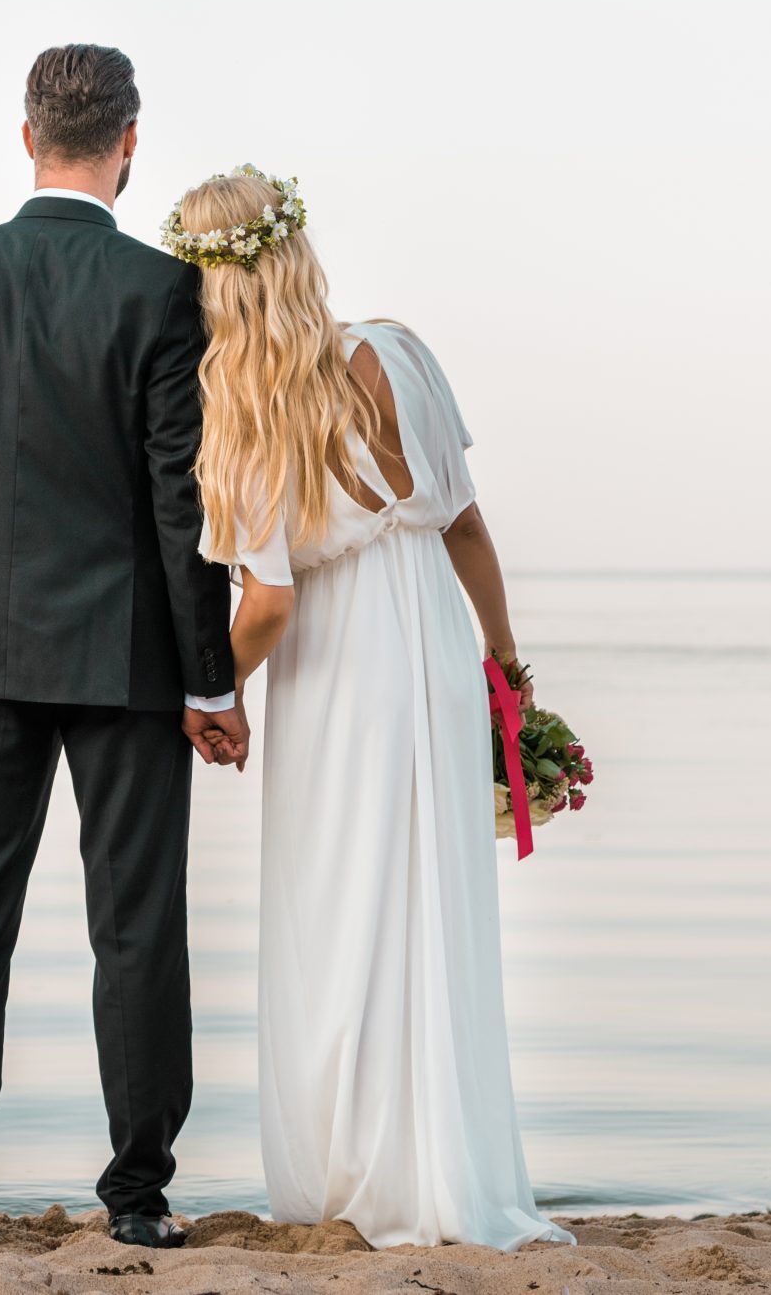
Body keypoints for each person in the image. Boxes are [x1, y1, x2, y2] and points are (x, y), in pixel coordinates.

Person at [172, 163, 571, 1251]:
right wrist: (505, 668)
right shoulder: (398, 350)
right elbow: (468, 530)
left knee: (341, 909)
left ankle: (357, 1171)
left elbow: (268, 600)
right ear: (296, 250)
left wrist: (214, 689)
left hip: (339, 672)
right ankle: (449, 1168)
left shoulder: (246, 408)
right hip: (433, 648)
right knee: (431, 904)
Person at [0, 45, 248, 1249]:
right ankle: (137, 1197)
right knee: (137, 922)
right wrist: (211, 675)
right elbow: (176, 505)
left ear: (26, 134)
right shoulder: (159, 292)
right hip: (128, 658)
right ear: (129, 141)